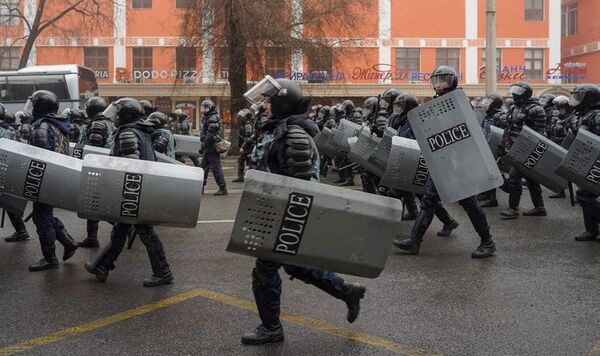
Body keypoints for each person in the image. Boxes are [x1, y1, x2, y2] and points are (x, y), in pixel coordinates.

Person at [241, 76, 366, 345]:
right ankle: (347, 292)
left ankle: (271, 328)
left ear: (283, 104)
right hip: (278, 212)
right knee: (296, 265)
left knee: (265, 271)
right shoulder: (280, 128)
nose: (266, 106)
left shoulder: (294, 134)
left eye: (271, 101)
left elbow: (296, 185)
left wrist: (278, 218)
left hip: (284, 214)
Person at [393, 66, 496, 258]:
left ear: (452, 81)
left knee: (469, 203)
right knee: (429, 201)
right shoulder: (435, 104)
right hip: (442, 162)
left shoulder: (461, 101)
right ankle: (415, 241)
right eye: (436, 80)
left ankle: (488, 242)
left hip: (460, 162)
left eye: (443, 80)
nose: (439, 84)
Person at [84, 98, 174, 286]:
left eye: (118, 113)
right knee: (120, 231)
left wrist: (122, 194)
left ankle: (163, 272)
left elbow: (129, 166)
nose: (115, 116)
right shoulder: (141, 130)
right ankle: (102, 266)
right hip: (141, 189)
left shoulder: (128, 133)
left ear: (126, 115)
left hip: (134, 192)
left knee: (146, 232)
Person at [25, 90, 79, 271]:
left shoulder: (41, 127)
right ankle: (68, 242)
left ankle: (50, 258)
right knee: (44, 215)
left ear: (41, 106)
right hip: (56, 177)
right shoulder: (58, 124)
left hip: (45, 179)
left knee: (42, 218)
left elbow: (40, 157)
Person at [500, 82, 547, 219]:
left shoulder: (536, 110)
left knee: (514, 177)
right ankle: (540, 207)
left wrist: (530, 150)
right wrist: (504, 143)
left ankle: (513, 209)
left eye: (518, 92)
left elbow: (540, 133)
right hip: (515, 147)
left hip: (528, 148)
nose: (514, 94)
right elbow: (509, 128)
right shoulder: (514, 107)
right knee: (531, 179)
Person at [78, 96, 116, 248]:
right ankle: (92, 237)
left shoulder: (97, 124)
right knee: (93, 204)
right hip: (110, 167)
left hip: (98, 168)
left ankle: (123, 226)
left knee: (95, 203)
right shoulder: (111, 123)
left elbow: (94, 149)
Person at [568, 84, 600, 241]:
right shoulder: (583, 114)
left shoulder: (597, 115)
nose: (575, 100)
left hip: (596, 161)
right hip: (586, 161)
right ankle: (591, 230)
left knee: (584, 195)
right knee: (584, 193)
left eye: (578, 97)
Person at [0, 104, 30, 242]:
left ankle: (21, 231)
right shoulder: (12, 130)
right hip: (10, 171)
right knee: (8, 202)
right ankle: (21, 230)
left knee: (7, 202)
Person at [477, 93, 505, 208]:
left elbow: (502, 134)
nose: (484, 104)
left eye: (487, 102)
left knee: (492, 173)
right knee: (485, 171)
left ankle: (492, 198)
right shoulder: (486, 115)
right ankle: (485, 193)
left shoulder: (500, 116)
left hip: (495, 149)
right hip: (486, 147)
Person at [199, 99, 227, 195]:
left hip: (212, 146)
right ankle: (200, 187)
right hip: (209, 147)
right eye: (202, 108)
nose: (203, 110)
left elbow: (210, 135)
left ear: (211, 108)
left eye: (205, 108)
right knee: (203, 168)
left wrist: (203, 146)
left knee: (215, 167)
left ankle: (223, 188)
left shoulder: (212, 118)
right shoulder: (208, 117)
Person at [233, 109, 255, 182]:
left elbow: (248, 137)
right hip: (248, 146)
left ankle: (249, 177)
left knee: (247, 161)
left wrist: (243, 147)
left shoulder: (248, 125)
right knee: (242, 160)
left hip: (249, 146)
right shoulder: (245, 124)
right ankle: (242, 177)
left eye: (241, 117)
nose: (240, 119)